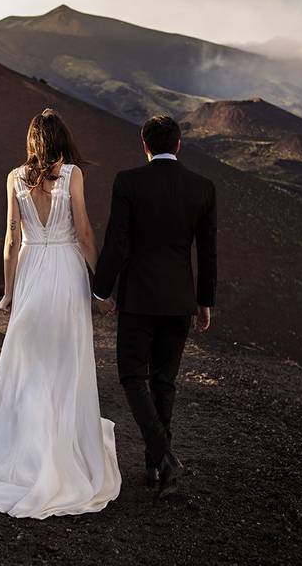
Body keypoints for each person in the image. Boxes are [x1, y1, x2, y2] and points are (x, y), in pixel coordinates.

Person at [0, 108, 121, 518]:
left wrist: (9, 292)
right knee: (66, 363)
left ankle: (25, 456)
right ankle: (61, 455)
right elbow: (83, 232)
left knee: (30, 367)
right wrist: (103, 286)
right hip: (65, 272)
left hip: (31, 272)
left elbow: (12, 237)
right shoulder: (72, 175)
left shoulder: (14, 178)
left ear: (32, 142)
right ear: (61, 138)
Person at [93, 114, 217, 499]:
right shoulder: (203, 187)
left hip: (138, 298)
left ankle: (164, 457)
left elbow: (116, 240)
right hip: (180, 300)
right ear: (178, 145)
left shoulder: (128, 182)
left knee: (133, 377)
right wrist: (204, 301)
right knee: (164, 381)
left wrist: (102, 290)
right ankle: (155, 466)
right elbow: (208, 251)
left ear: (144, 146)